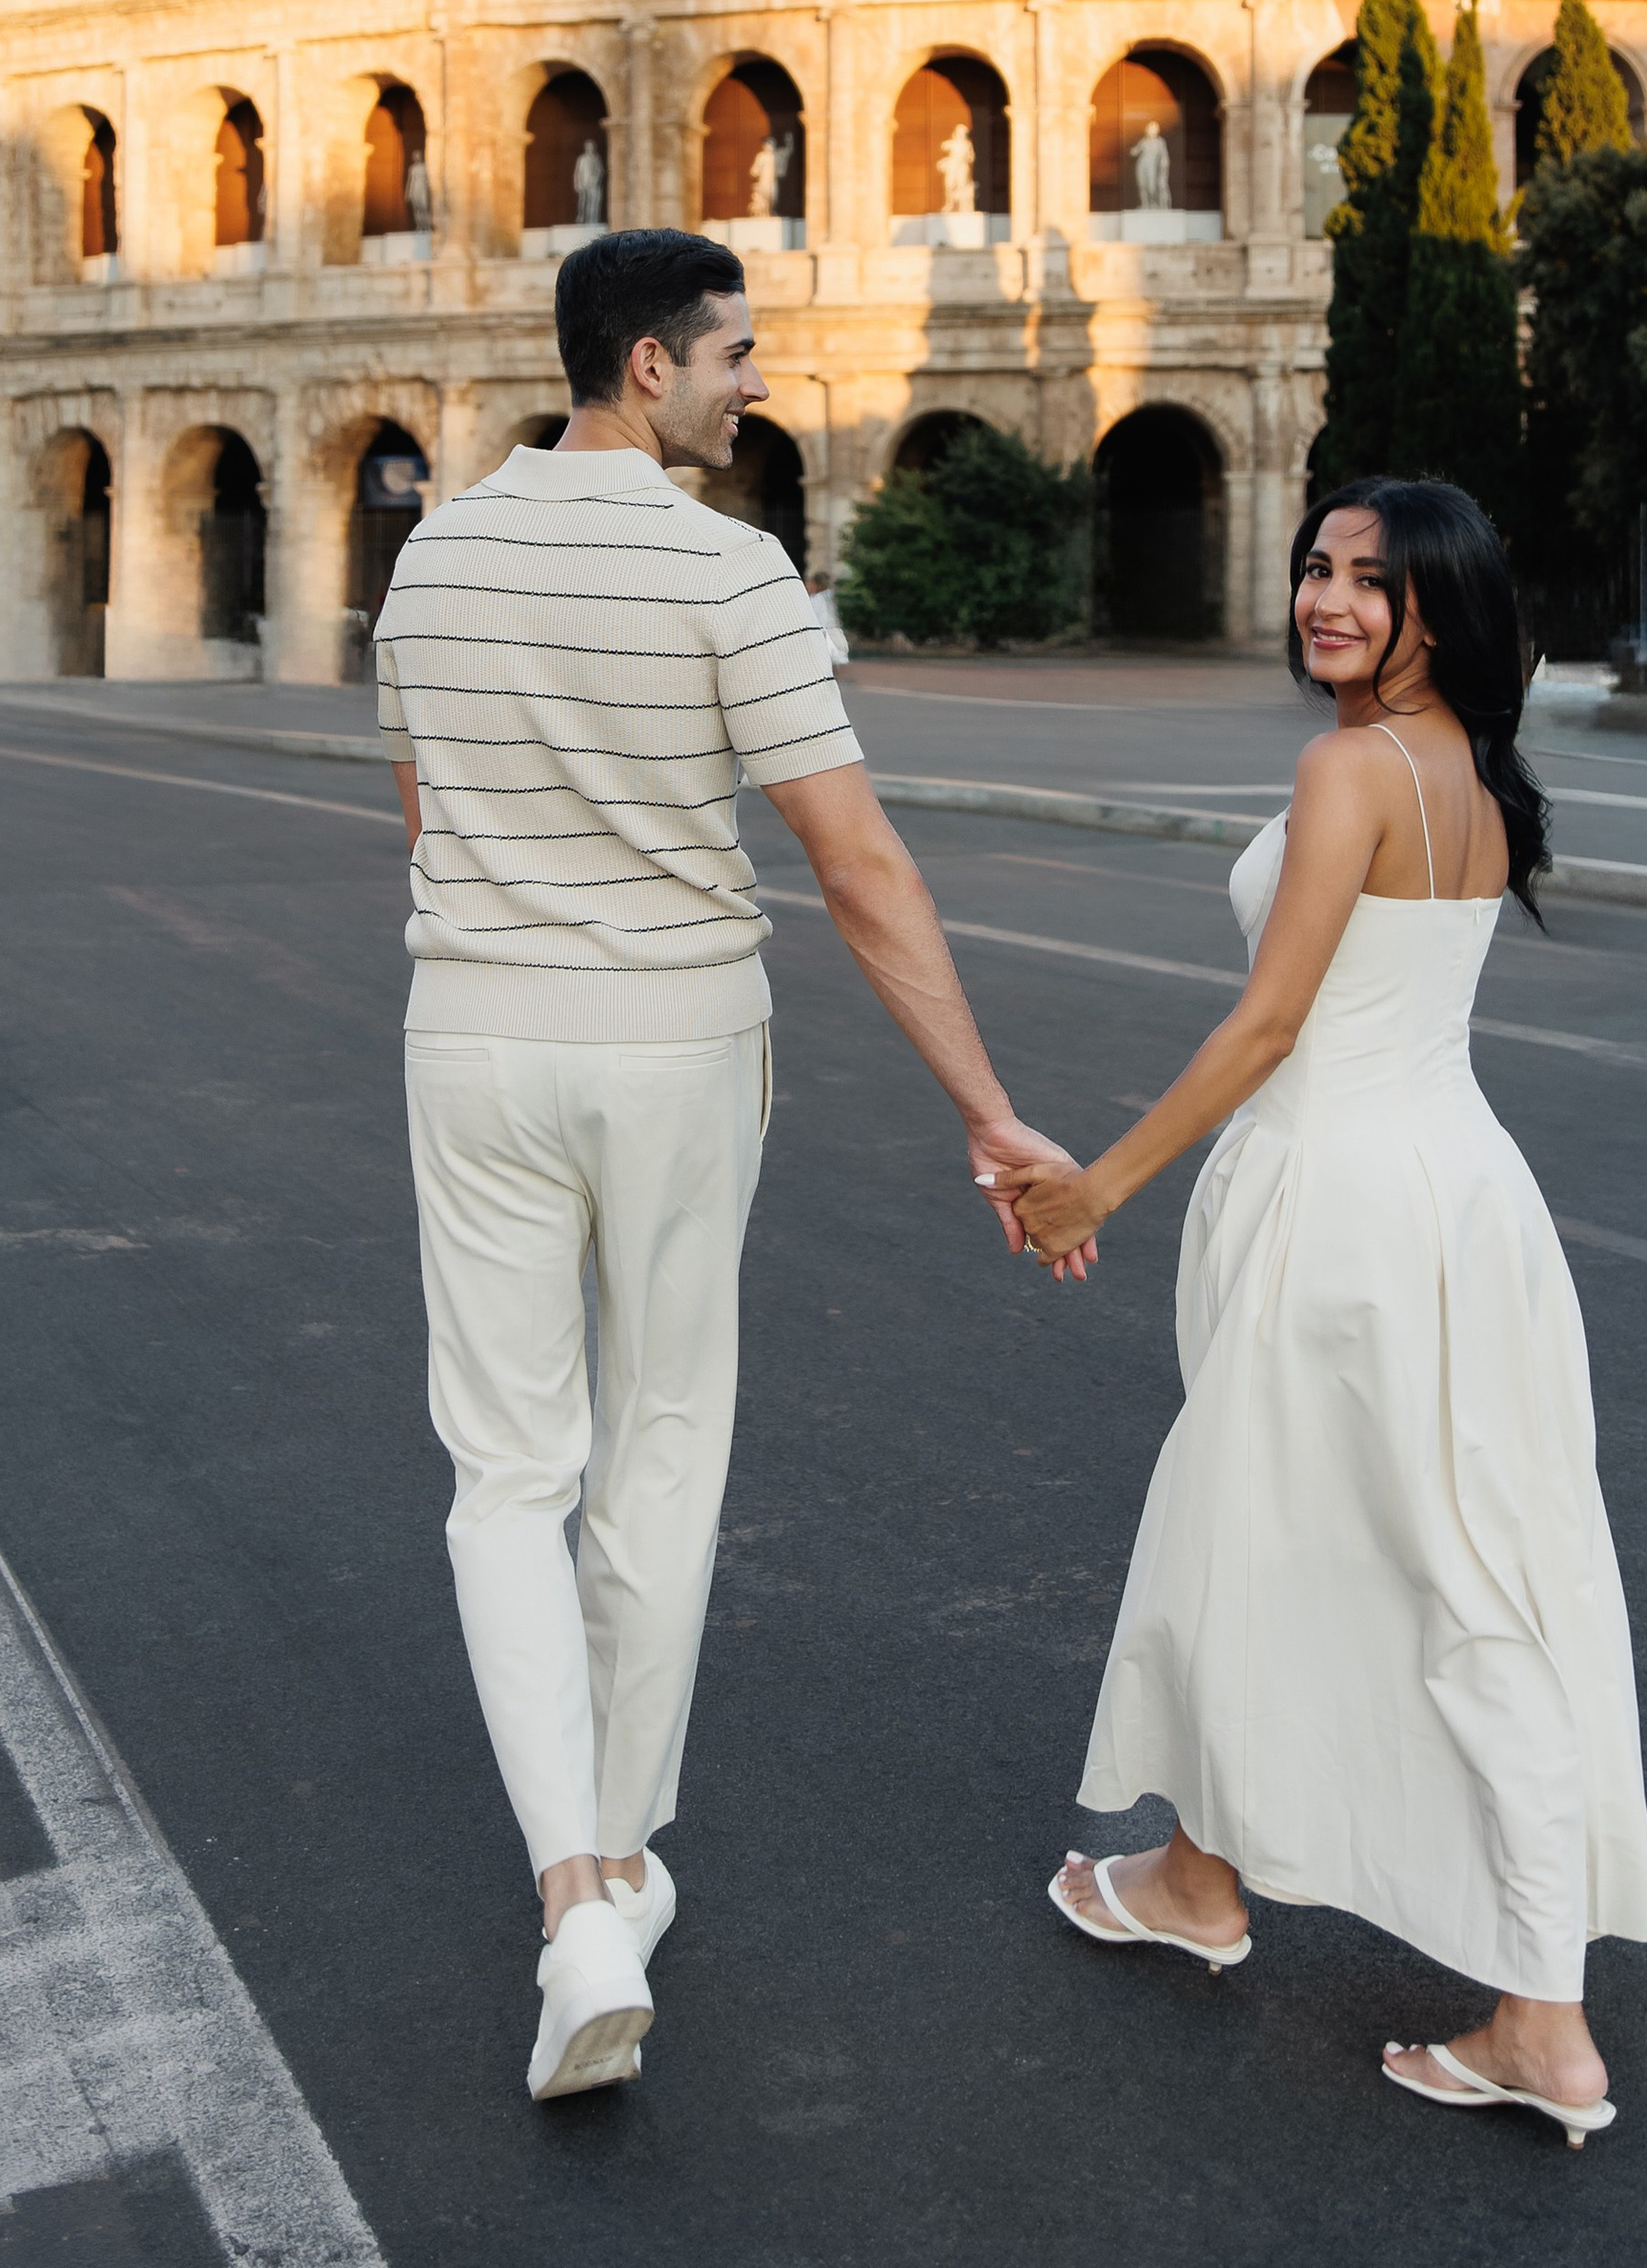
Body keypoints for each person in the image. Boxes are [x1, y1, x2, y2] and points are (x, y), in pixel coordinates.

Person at [376, 227, 1081, 2101]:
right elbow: (855, 867)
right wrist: (984, 1105)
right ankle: (608, 1854)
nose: (747, 383)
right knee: (660, 1445)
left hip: (473, 1035)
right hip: (671, 1045)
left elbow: (422, 804)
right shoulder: (727, 567)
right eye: (728, 356)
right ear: (639, 368)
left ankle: (575, 1901)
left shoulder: (431, 553)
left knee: (500, 1473)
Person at [996, 476, 1647, 2149]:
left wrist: (1101, 1186)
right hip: (1462, 1205)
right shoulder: (1476, 777)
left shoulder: (1350, 768)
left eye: (1371, 580)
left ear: (1439, 606)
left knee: (1352, 1560)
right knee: (1387, 1552)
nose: (1327, 598)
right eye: (1315, 567)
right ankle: (1203, 1878)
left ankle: (1542, 2024)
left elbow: (1269, 1027)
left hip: (1336, 1211)